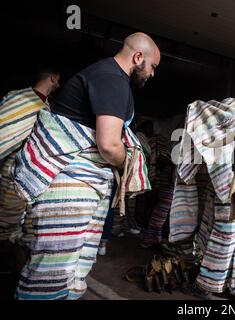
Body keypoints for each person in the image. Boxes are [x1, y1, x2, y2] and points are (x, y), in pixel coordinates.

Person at [11, 32, 160, 300]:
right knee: (50, 274)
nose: (152, 74)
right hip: (69, 186)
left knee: (65, 269)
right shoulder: (112, 79)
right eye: (153, 66)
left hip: (76, 187)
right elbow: (109, 144)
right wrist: (129, 162)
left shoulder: (107, 75)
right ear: (138, 57)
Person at [0, 65, 60, 243]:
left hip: (25, 174)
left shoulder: (46, 107)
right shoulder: (18, 98)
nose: (59, 84)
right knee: (5, 219)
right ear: (53, 77)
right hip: (10, 170)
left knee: (15, 220)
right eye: (59, 80)